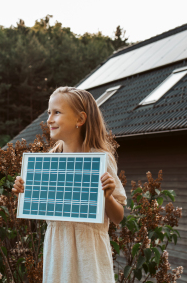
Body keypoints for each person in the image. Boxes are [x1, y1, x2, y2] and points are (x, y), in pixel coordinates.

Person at [12, 86, 127, 282]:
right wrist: (24, 192)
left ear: (80, 119)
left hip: (90, 254)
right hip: (57, 254)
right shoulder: (48, 162)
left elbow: (118, 217)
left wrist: (107, 196)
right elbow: (39, 208)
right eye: (49, 113)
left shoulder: (101, 160)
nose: (49, 120)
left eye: (57, 112)